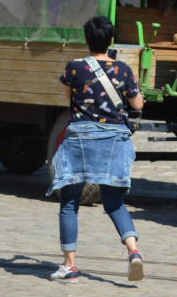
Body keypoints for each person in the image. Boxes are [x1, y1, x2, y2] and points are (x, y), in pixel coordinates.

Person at [48, 16, 147, 283]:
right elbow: (137, 105)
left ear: (86, 40)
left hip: (80, 139)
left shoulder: (74, 67)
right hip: (113, 141)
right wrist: (136, 87)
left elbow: (69, 98)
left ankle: (70, 267)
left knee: (69, 203)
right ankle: (134, 252)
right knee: (114, 203)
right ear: (111, 40)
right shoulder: (124, 69)